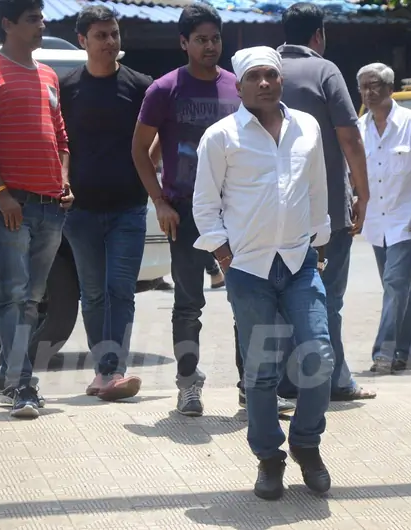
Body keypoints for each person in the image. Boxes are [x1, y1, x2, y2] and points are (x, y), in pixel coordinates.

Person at [193, 45, 334, 500]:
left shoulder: (306, 127)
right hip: (249, 269)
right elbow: (204, 203)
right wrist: (222, 253)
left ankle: (306, 446)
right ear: (239, 84)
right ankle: (269, 459)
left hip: (298, 262)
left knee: (318, 356)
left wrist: (320, 240)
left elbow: (316, 189)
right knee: (261, 372)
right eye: (254, 76)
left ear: (281, 79)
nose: (264, 83)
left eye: (271, 75)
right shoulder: (220, 136)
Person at [131, 3, 247, 417]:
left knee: (246, 299)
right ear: (183, 43)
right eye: (200, 39)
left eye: (215, 38)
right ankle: (187, 384)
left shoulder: (238, 87)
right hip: (183, 211)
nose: (210, 46)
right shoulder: (164, 89)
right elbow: (140, 152)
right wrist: (159, 201)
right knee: (187, 304)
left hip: (235, 212)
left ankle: (249, 386)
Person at [0, 0, 72, 418]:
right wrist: (2, 192)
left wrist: (65, 180)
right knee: (14, 294)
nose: (41, 25)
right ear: (7, 24)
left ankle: (6, 379)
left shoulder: (47, 74)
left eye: (41, 17)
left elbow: (61, 137)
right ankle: (21, 385)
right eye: (33, 19)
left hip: (50, 205)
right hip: (13, 204)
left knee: (32, 297)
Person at [274, 2, 375, 401]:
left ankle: (284, 381)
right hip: (326, 210)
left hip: (275, 214)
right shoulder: (325, 70)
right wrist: (363, 194)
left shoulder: (264, 69)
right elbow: (350, 137)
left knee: (280, 300)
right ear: (318, 35)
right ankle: (333, 380)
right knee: (328, 298)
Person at [59, 5, 152, 401]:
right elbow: (57, 143)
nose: (110, 41)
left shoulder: (140, 85)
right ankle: (103, 370)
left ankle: (113, 370)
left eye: (114, 33)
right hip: (80, 212)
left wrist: (152, 167)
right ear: (83, 40)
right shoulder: (67, 88)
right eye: (101, 35)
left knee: (121, 290)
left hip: (129, 207)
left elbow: (157, 131)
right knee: (93, 293)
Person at [356, 63, 411, 375]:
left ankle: (385, 351)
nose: (369, 92)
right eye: (364, 86)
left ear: (390, 89)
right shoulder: (358, 128)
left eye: (376, 85)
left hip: (406, 220)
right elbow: (351, 174)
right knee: (399, 287)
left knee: (395, 284)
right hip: (376, 223)